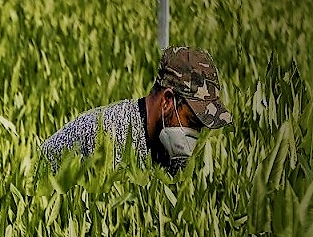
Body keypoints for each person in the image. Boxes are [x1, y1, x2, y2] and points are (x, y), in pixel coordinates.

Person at [40, 45, 233, 175]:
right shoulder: (111, 136)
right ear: (167, 100)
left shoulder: (166, 144)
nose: (194, 134)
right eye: (191, 122)